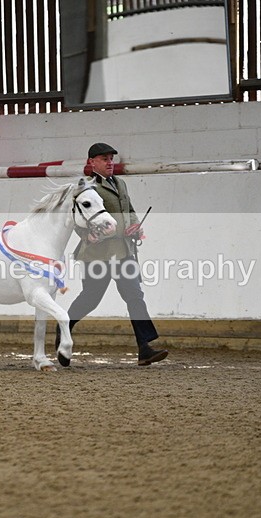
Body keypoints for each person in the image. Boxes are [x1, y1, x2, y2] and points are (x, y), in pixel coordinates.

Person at [56, 142, 168, 366]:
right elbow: (77, 218)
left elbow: (130, 210)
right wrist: (86, 235)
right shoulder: (87, 188)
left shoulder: (121, 183)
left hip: (124, 252)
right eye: (105, 159)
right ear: (92, 162)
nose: (110, 163)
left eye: (111, 159)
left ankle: (145, 348)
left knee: (134, 296)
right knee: (91, 299)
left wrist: (136, 227)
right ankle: (64, 328)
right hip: (98, 254)